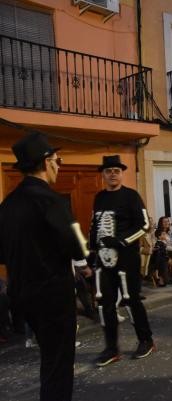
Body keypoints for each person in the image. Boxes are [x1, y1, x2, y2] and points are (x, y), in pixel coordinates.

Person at [0, 133, 88, 401]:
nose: (59, 166)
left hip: (21, 295)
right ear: (47, 162)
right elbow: (77, 247)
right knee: (58, 364)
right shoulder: (54, 201)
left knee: (48, 358)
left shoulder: (6, 206)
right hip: (53, 295)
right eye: (57, 160)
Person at [89, 155, 155, 367]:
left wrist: (121, 241)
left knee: (131, 300)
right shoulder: (99, 197)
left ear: (121, 173)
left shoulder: (131, 196)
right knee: (105, 304)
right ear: (103, 175)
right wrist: (91, 252)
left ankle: (146, 340)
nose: (113, 174)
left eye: (116, 170)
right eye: (108, 171)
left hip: (127, 259)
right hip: (103, 260)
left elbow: (144, 225)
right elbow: (94, 225)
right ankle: (111, 348)